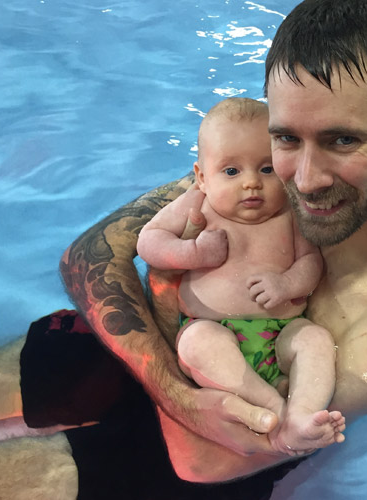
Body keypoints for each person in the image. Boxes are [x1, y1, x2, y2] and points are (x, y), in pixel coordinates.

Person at [0, 0, 367, 498]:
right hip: (161, 358)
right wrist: (177, 383)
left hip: (196, 463)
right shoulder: (258, 177)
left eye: (342, 141)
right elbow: (88, 256)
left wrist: (164, 302)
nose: (306, 178)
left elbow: (202, 457)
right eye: (287, 139)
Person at [136, 97, 345, 455]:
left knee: (316, 340)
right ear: (202, 177)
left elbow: (311, 263)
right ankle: (273, 408)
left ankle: (302, 416)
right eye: (231, 172)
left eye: (266, 169)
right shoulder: (197, 203)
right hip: (214, 330)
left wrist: (287, 284)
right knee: (196, 343)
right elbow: (148, 242)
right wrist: (193, 253)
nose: (251, 183)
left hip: (281, 334)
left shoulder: (290, 214)